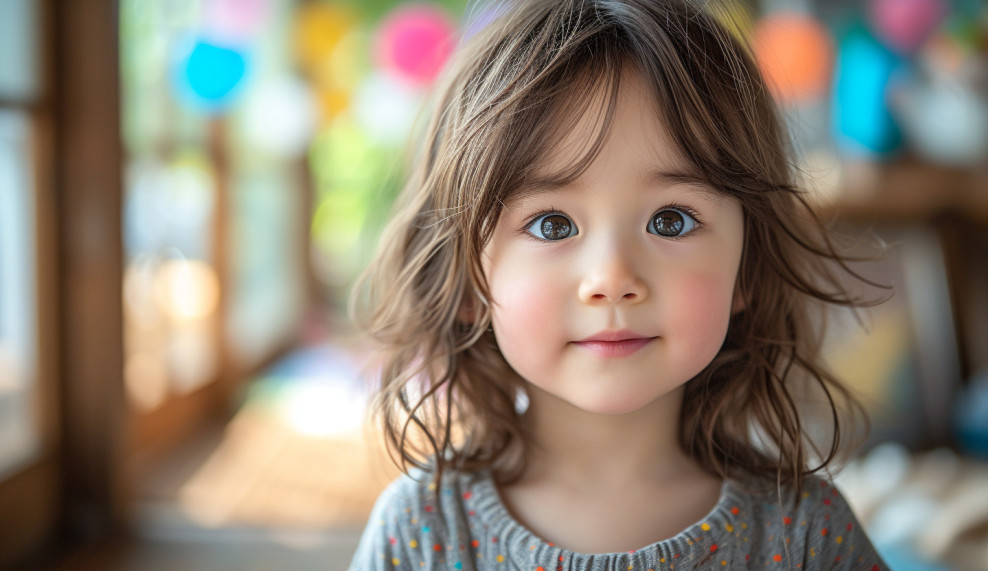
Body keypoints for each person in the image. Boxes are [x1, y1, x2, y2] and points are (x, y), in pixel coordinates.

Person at [348, 0, 888, 568]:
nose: (612, 280)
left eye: (670, 220)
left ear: (747, 267)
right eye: (552, 225)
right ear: (464, 283)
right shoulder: (421, 533)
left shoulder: (805, 535)